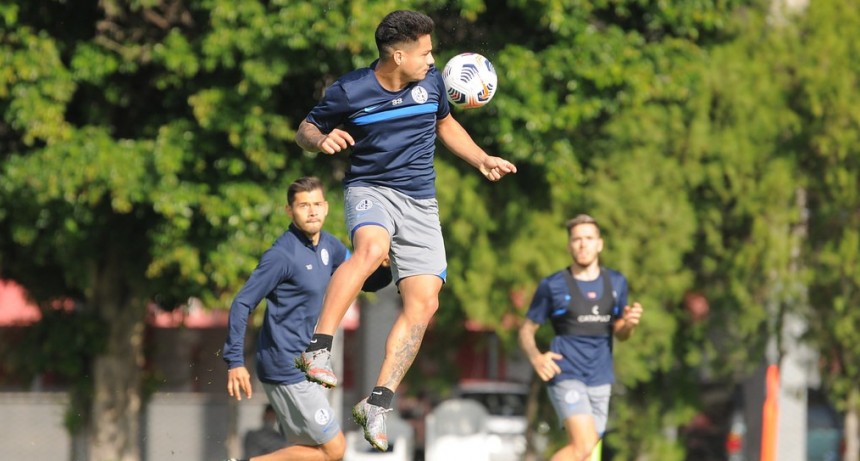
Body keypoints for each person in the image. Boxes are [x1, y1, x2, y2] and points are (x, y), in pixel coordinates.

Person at [294, 9, 517, 453]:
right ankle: (318, 347)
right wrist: (320, 141)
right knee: (373, 249)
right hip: (370, 189)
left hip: (420, 202)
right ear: (398, 54)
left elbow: (445, 123)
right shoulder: (351, 89)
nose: (434, 61)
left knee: (425, 301)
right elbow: (306, 127)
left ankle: (376, 404)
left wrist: (482, 159)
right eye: (426, 52)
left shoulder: (432, 85)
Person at [221, 176, 348, 461]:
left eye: (317, 204)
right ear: (289, 211)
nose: (312, 211)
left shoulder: (329, 246)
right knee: (335, 449)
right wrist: (235, 362)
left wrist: (382, 262)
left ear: (326, 208)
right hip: (287, 365)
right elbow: (242, 303)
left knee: (311, 453)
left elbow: (355, 270)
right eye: (304, 205)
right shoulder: (281, 255)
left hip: (306, 366)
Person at [518, 214, 644, 461]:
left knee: (585, 453)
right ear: (569, 245)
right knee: (584, 445)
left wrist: (629, 324)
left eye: (588, 238)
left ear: (600, 243)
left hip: (601, 377)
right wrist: (535, 357)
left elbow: (621, 332)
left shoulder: (617, 283)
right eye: (577, 239)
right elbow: (525, 330)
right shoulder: (553, 285)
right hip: (566, 373)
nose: (583, 244)